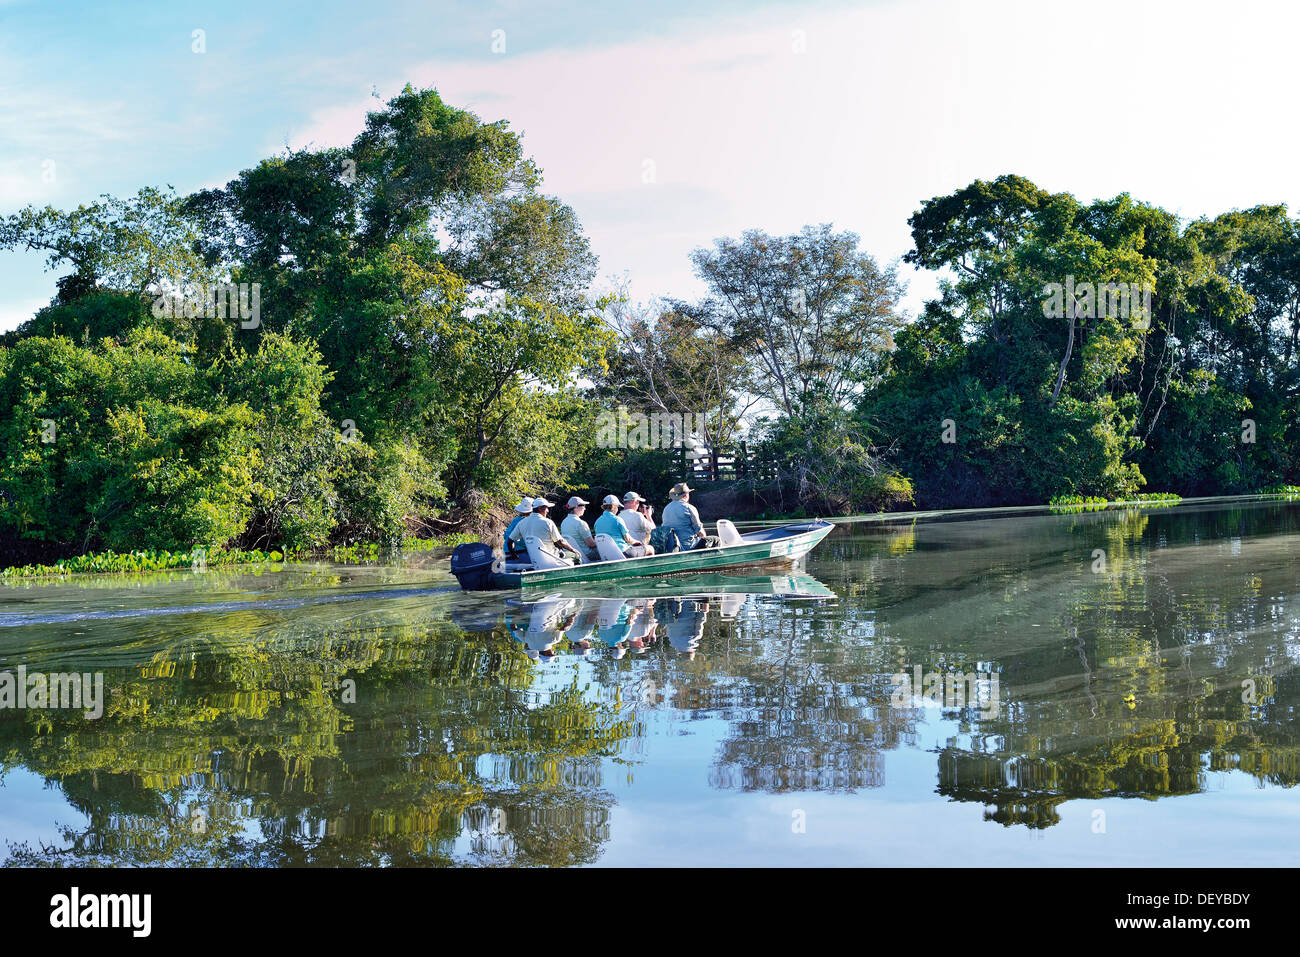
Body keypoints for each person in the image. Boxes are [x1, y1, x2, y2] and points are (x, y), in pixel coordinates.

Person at [509, 497, 581, 566]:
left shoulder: (521, 523)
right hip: (552, 558)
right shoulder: (548, 522)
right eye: (546, 508)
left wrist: (514, 555)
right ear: (540, 508)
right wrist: (573, 549)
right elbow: (561, 542)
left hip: (534, 560)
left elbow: (509, 541)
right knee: (576, 555)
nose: (548, 511)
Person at [661, 482, 716, 550]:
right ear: (685, 495)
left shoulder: (666, 508)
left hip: (671, 547)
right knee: (715, 540)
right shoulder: (689, 508)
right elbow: (700, 531)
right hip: (689, 546)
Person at [560, 496, 600, 562]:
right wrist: (599, 542)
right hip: (586, 555)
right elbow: (591, 544)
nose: (585, 508)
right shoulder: (581, 523)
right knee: (607, 550)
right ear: (576, 507)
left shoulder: (563, 522)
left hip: (573, 554)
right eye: (583, 506)